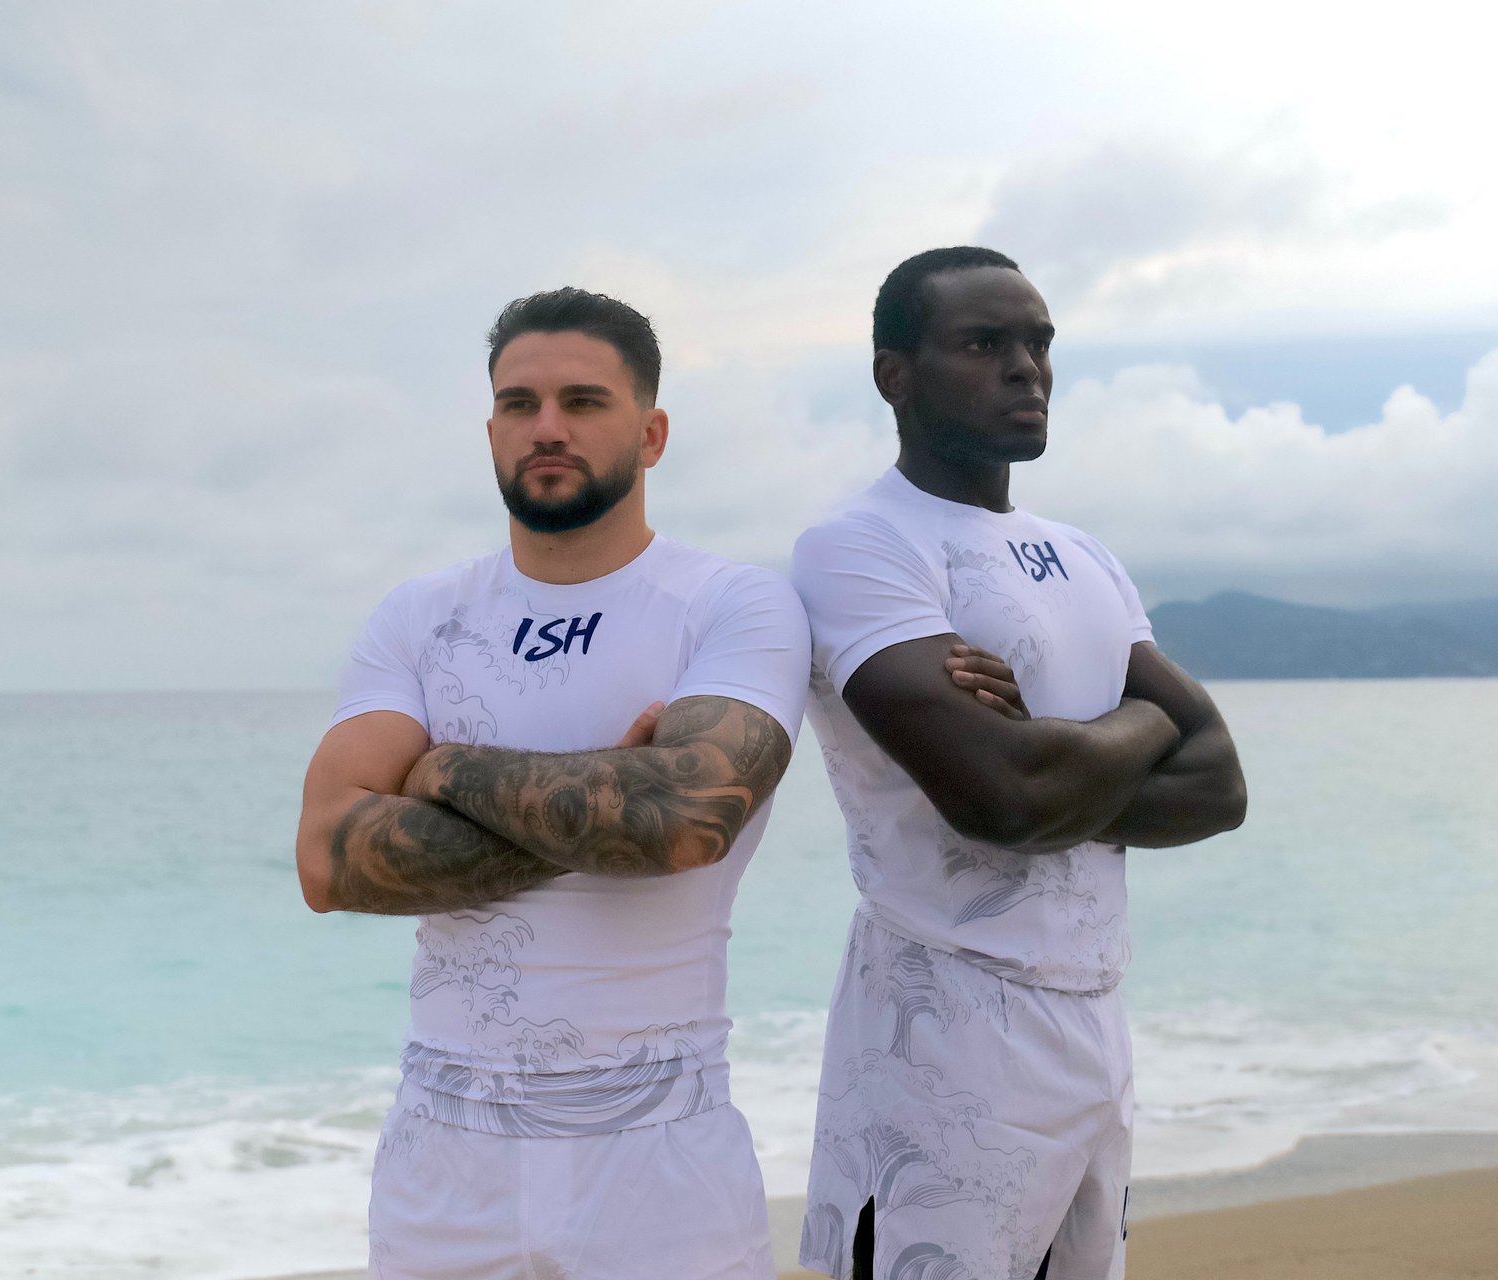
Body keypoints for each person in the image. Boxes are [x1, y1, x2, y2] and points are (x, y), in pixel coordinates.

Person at [295, 287, 812, 1279]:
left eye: (583, 401)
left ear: (651, 434)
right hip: (444, 1152)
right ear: (491, 429)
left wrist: (442, 769)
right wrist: (603, 796)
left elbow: (683, 819)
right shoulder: (421, 615)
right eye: (518, 403)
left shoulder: (730, 604)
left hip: (658, 1151)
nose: (546, 427)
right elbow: (328, 859)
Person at [791, 247, 1247, 1280]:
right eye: (983, 343)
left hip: (1096, 1012)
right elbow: (1003, 798)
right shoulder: (860, 546)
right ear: (894, 375)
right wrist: (1137, 725)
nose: (1025, 367)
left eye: (1039, 342)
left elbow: (1220, 784)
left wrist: (1055, 751)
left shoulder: (1084, 556)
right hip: (941, 1018)